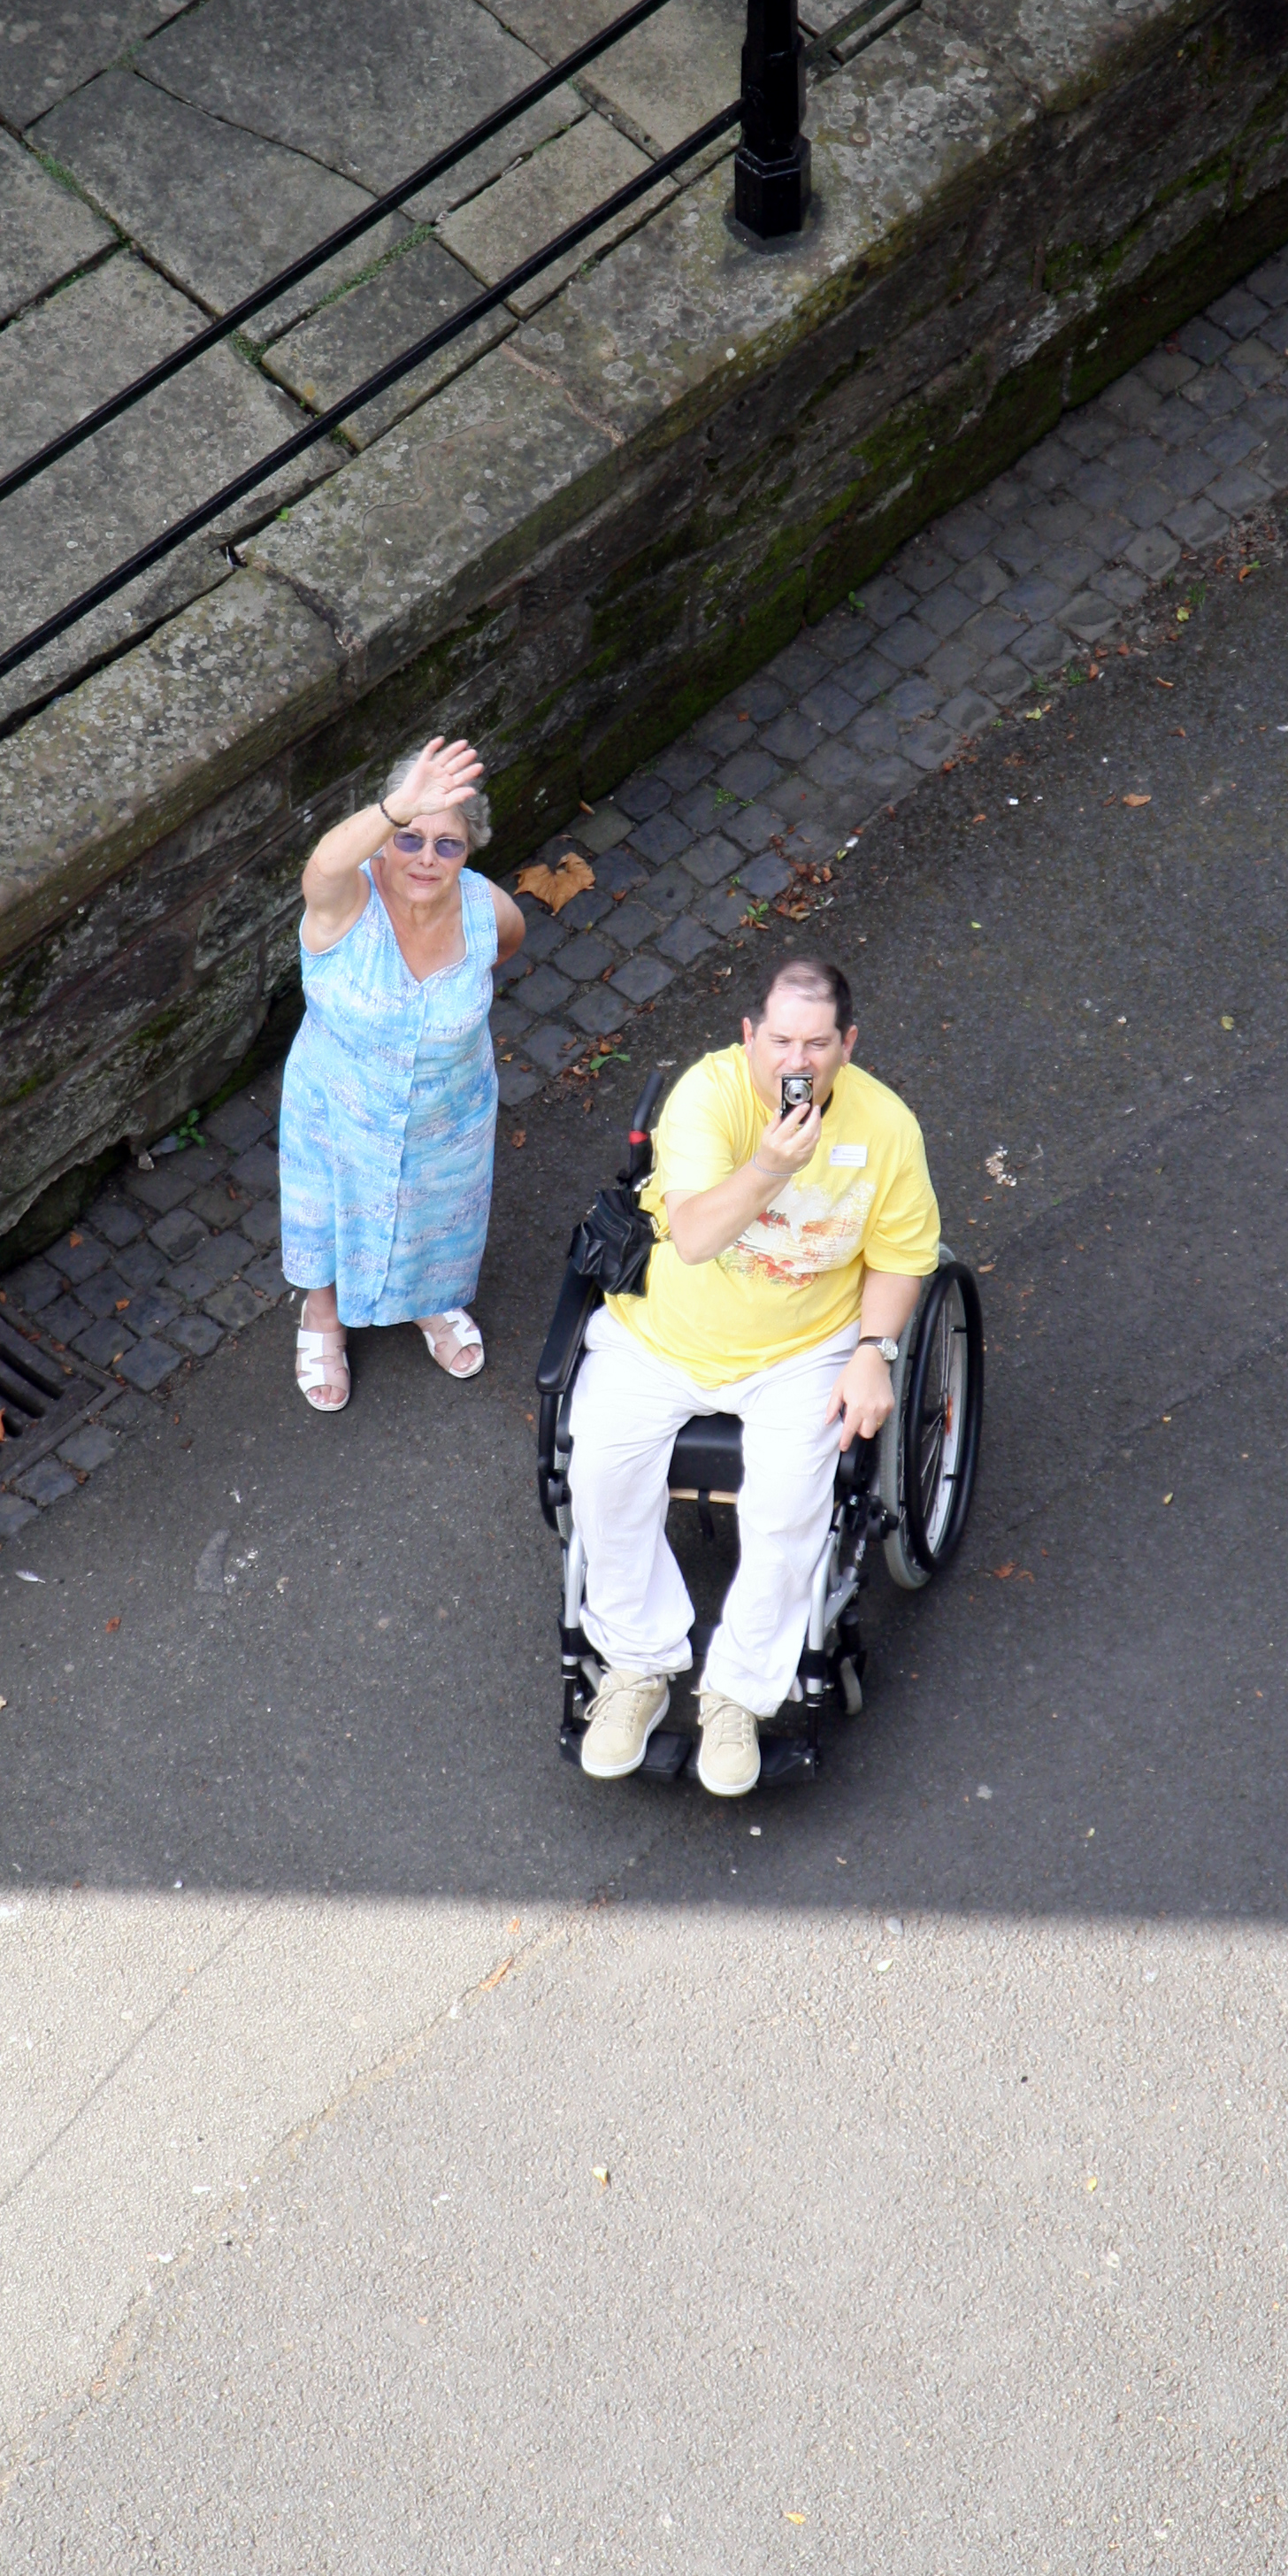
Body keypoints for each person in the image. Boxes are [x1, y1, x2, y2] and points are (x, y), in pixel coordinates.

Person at [565, 953, 940, 1796]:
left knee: (788, 1505)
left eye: (816, 1044)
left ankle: (738, 1691)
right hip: (665, 1335)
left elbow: (903, 1256)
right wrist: (772, 1165)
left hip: (799, 1351)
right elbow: (694, 1236)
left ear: (848, 1044)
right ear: (749, 1038)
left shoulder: (887, 1129)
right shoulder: (709, 1096)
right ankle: (636, 1663)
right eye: (779, 1042)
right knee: (602, 1474)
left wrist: (875, 1351)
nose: (796, 1064)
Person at [278, 736, 525, 1411]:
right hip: (341, 1105)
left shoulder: (487, 908)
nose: (426, 858)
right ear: (385, 837)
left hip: (449, 1114)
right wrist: (399, 806)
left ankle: (429, 1300)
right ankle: (322, 1316)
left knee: (437, 1213)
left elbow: (504, 946)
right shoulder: (344, 903)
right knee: (326, 1206)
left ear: (468, 853)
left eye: (448, 845)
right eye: (410, 838)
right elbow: (321, 867)